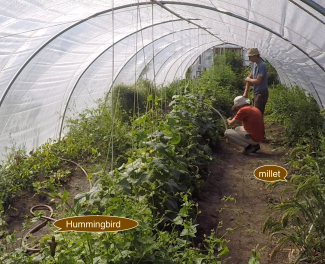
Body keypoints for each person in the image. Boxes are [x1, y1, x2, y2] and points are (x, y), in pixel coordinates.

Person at [243, 48, 268, 117]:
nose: (249, 59)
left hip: (261, 94)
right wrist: (246, 92)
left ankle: (259, 127)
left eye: (250, 56)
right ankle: (255, 127)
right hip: (255, 92)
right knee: (254, 112)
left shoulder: (262, 65)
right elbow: (250, 76)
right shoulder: (254, 64)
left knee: (258, 114)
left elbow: (258, 81)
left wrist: (248, 79)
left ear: (255, 56)